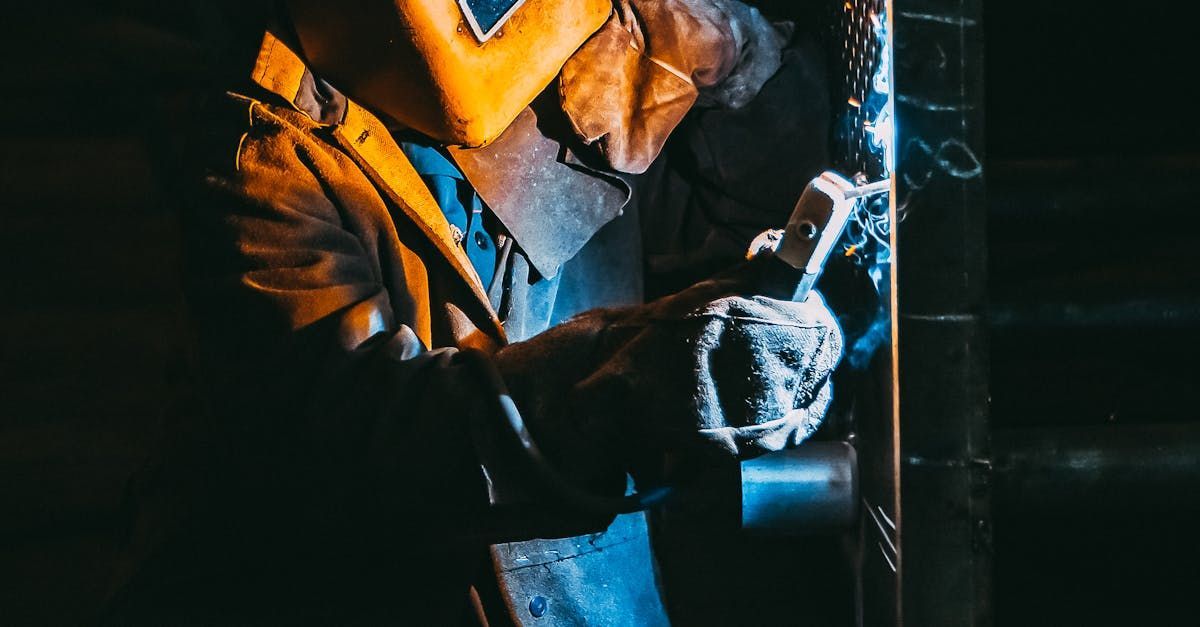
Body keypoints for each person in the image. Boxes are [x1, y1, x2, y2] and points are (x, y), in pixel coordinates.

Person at [106, 1, 842, 624]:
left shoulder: (566, 73)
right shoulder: (264, 159)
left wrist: (743, 76)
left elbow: (747, 212)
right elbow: (380, 438)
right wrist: (638, 373)